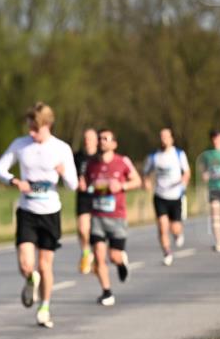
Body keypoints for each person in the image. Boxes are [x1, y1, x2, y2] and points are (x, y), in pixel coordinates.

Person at [0, 103, 78, 328]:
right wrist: (15, 181)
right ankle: (31, 279)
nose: (31, 133)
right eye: (29, 128)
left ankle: (44, 308)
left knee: (45, 264)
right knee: (25, 264)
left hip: (50, 212)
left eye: (35, 129)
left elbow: (73, 185)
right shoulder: (21, 145)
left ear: (47, 125)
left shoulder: (61, 148)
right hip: (27, 211)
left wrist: (64, 172)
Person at [81, 128, 141, 306]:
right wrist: (83, 185)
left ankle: (121, 263)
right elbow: (85, 183)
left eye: (106, 138)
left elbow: (137, 181)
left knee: (114, 256)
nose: (101, 141)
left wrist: (121, 186)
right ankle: (107, 292)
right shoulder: (91, 164)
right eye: (100, 138)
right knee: (99, 256)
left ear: (114, 144)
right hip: (97, 217)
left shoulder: (122, 162)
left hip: (117, 217)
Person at [143, 127, 191, 266]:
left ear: (171, 139)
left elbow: (187, 172)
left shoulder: (179, 154)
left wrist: (184, 181)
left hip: (175, 195)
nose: (163, 140)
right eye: (161, 137)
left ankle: (178, 234)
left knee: (175, 227)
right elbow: (146, 172)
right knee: (162, 227)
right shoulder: (153, 156)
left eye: (166, 137)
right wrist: (146, 182)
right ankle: (167, 252)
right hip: (160, 195)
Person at [74, 128, 99, 273]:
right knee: (83, 229)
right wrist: (76, 182)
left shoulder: (100, 157)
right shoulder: (77, 156)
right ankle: (85, 253)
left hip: (99, 198)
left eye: (90, 138)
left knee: (95, 232)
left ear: (96, 140)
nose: (86, 141)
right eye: (85, 138)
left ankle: (95, 256)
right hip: (83, 197)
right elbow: (70, 175)